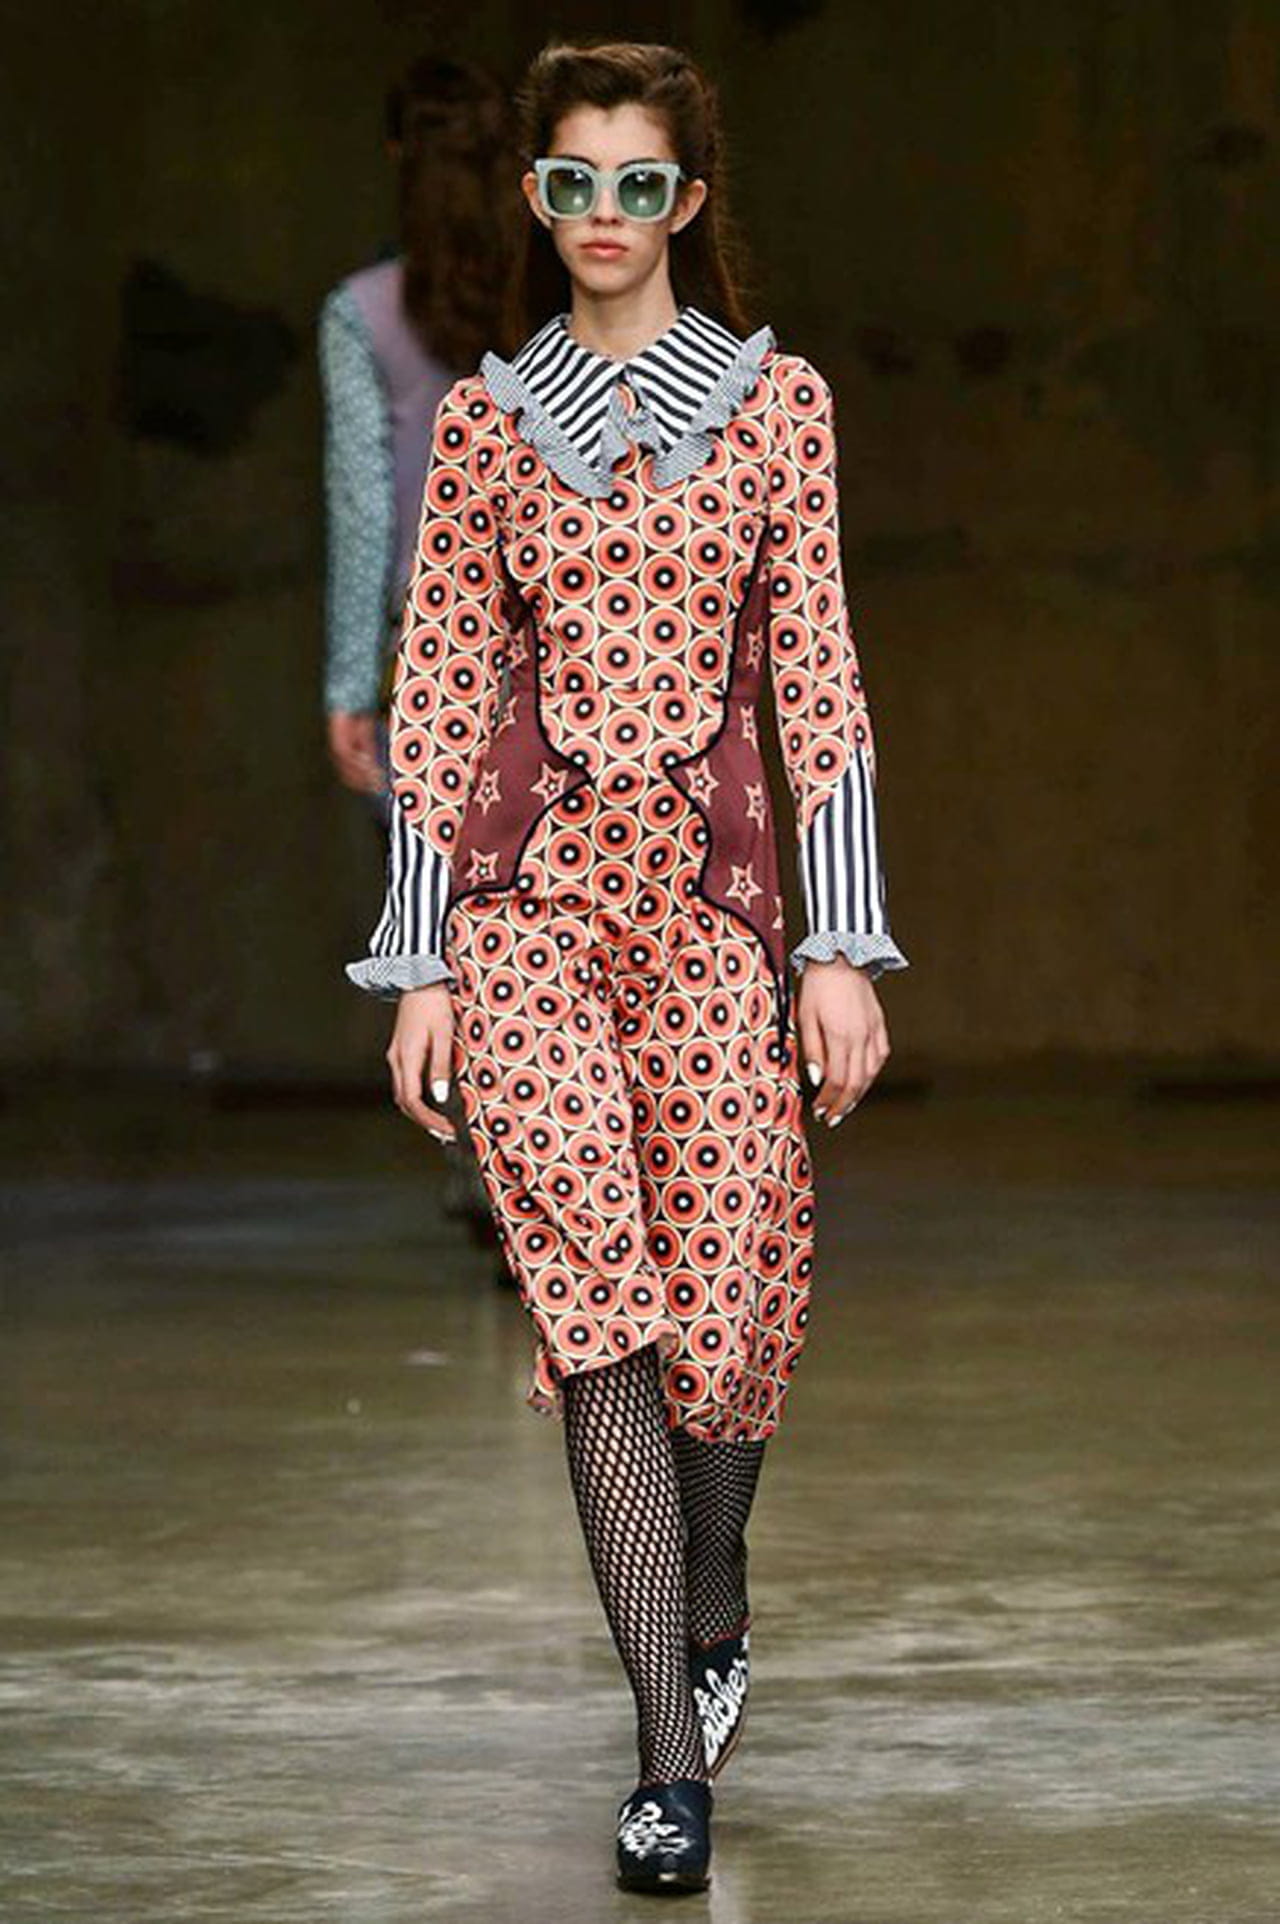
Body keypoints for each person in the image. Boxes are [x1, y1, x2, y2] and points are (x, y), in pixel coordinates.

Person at [346, 36, 910, 1895]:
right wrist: (419, 960)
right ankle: (670, 1753)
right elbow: (441, 692)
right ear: (537, 198)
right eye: (572, 180)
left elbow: (818, 675)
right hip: (524, 917)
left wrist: (840, 943)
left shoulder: (779, 406)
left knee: (731, 1308)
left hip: (719, 912)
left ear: (687, 199)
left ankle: (713, 1587)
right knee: (601, 1307)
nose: (605, 212)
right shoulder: (489, 423)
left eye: (638, 181)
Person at [319, 55, 519, 1267]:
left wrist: (350, 684)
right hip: (575, 640)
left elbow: (361, 509)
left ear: (398, 158)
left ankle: (487, 1171)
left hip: (425, 654)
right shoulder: (566, 303)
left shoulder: (363, 312)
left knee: (446, 920)